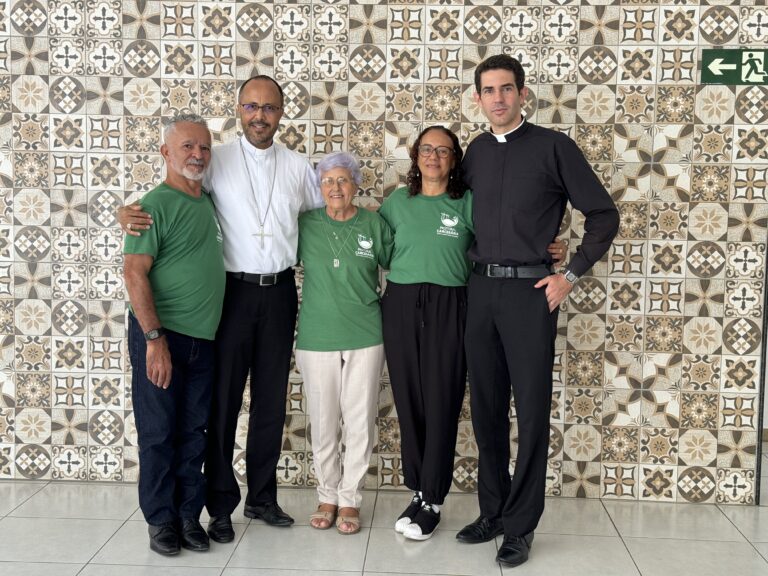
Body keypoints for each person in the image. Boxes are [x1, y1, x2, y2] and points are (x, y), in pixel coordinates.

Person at [119, 75, 324, 543]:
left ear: (281, 112)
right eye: (251, 106)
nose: (259, 115)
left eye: (269, 107)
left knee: (271, 399)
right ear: (239, 110)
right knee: (222, 403)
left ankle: (263, 498)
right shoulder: (214, 158)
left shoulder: (298, 166)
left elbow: (328, 209)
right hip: (230, 294)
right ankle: (219, 505)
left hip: (280, 292)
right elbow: (172, 190)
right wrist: (123, 212)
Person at [457, 54, 619, 567]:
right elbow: (458, 218)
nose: (498, 98)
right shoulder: (476, 152)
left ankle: (521, 526)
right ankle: (494, 511)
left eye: (507, 88)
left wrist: (568, 274)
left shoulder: (554, 147)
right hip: (479, 293)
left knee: (529, 411)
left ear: (523, 94)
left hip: (532, 296)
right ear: (478, 98)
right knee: (485, 408)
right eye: (488, 90)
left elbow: (603, 214)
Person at [379, 126, 566, 541]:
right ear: (415, 155)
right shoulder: (396, 202)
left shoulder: (466, 201)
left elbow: (503, 238)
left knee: (442, 399)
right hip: (402, 304)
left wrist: (553, 248)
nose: (433, 157)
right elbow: (376, 245)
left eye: (443, 151)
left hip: (454, 304)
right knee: (410, 400)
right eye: (426, 149)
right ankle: (419, 491)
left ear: (455, 160)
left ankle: (434, 498)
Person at [123, 114, 225, 555]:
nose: (197, 155)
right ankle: (161, 520)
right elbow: (133, 274)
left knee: (193, 431)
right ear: (166, 152)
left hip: (204, 341)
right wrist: (153, 338)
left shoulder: (209, 201)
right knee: (159, 431)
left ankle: (188, 516)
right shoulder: (152, 206)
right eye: (187, 147)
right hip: (162, 337)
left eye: (203, 147)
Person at [295, 151, 393, 535]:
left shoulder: (374, 224)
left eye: (343, 180)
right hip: (316, 336)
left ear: (355, 185)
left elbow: (397, 265)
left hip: (366, 334)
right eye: (328, 181)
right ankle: (327, 495)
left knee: (359, 421)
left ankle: (350, 498)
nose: (335, 188)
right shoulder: (305, 224)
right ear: (319, 187)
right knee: (323, 422)